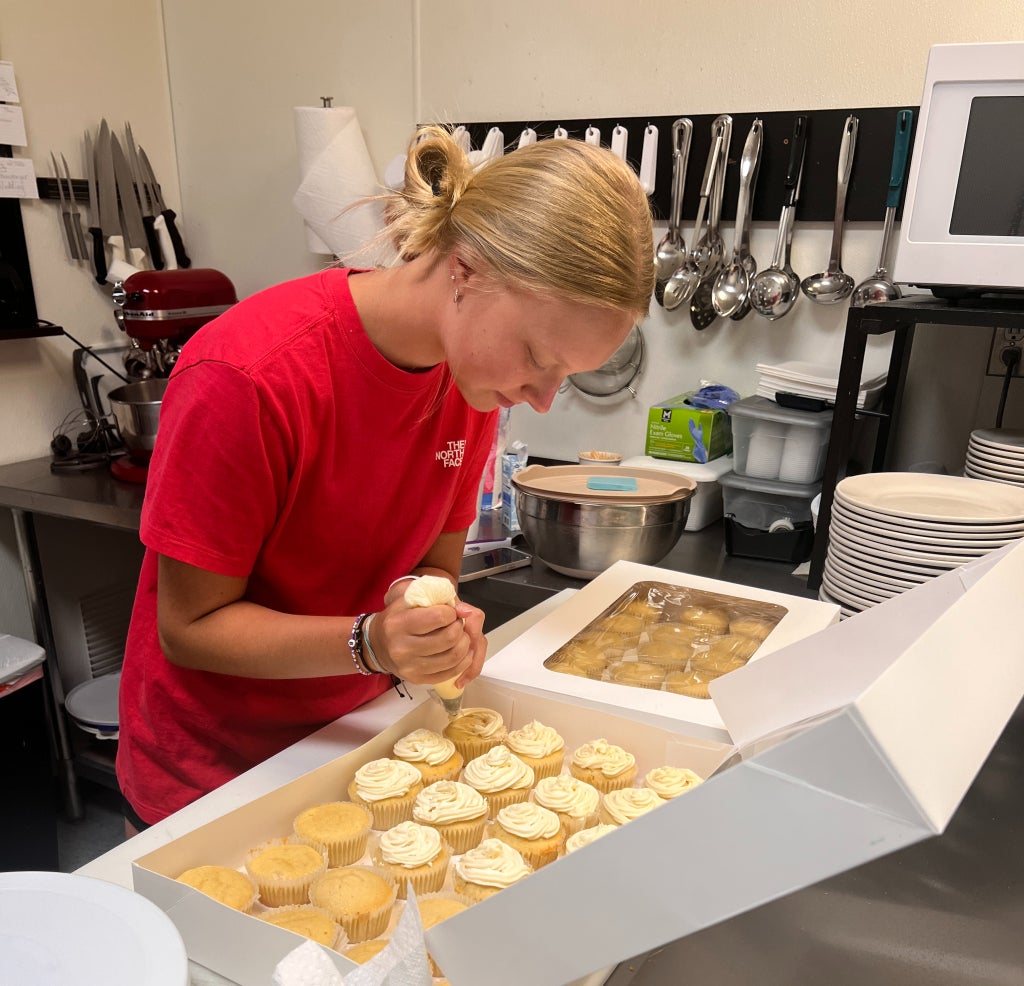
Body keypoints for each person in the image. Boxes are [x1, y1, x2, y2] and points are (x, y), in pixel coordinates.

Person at [116, 124, 655, 832]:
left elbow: (431, 566)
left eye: (567, 376)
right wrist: (372, 641)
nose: (544, 397)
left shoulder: (472, 382)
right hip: (213, 780)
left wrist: (430, 619)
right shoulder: (249, 376)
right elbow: (190, 627)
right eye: (537, 356)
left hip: (358, 747)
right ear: (465, 268)